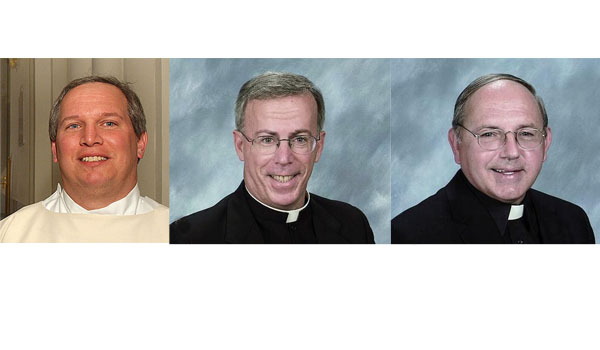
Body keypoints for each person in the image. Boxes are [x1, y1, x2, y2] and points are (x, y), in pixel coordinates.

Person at [170, 72, 374, 243]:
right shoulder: (189, 239)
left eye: (300, 139)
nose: (284, 158)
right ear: (240, 146)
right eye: (267, 140)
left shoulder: (353, 225)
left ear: (318, 147)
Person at [392, 73, 595, 244]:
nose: (512, 152)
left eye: (526, 133)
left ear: (546, 142)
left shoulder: (573, 222)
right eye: (489, 134)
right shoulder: (408, 235)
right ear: (456, 144)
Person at [0, 76, 168, 243]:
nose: (89, 138)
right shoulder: (11, 234)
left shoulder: (175, 233)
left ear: (140, 144)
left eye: (109, 123)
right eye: (74, 125)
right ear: (55, 150)